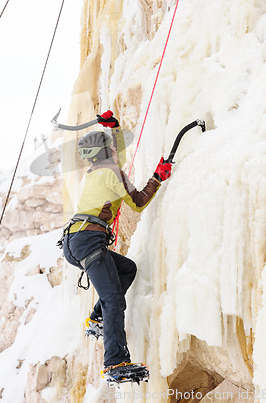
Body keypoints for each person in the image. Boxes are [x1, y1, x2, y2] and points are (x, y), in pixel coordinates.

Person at [62, 110, 172, 382]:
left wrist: (115, 127)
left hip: (76, 241)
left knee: (127, 269)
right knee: (113, 299)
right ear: (103, 152)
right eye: (109, 145)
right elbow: (137, 202)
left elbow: (118, 154)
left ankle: (97, 320)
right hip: (89, 239)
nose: (114, 148)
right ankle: (115, 364)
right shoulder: (112, 172)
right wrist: (157, 178)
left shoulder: (98, 171)